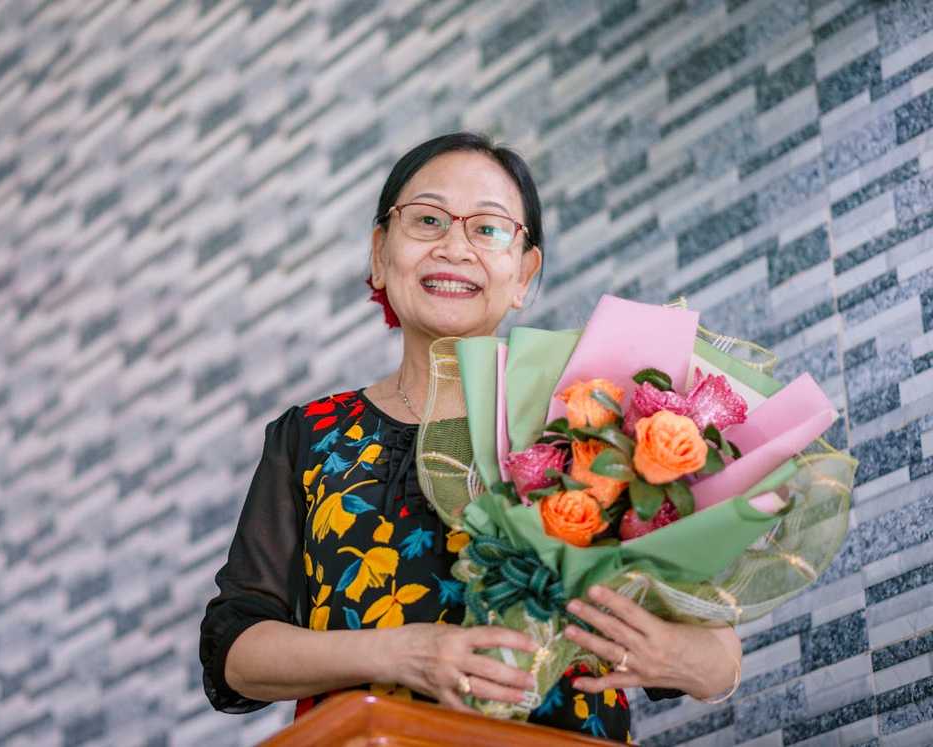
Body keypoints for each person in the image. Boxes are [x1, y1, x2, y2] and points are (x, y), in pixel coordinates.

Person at [199, 132, 743, 742]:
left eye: (487, 228)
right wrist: (404, 653)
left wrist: (663, 652)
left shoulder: (590, 422)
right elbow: (235, 651)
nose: (454, 247)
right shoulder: (310, 436)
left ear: (524, 274)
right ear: (379, 253)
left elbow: (718, 658)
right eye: (427, 220)